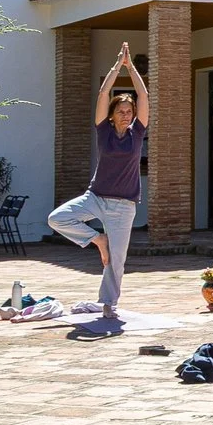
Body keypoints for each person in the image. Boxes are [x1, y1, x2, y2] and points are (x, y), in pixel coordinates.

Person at [48, 43, 148, 318]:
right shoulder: (103, 130)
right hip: (95, 197)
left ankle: (108, 304)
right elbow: (104, 93)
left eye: (130, 111)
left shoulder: (137, 133)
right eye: (122, 111)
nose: (127, 114)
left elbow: (143, 93)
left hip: (124, 206)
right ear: (113, 114)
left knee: (117, 260)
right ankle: (97, 240)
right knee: (57, 218)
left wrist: (132, 67)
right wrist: (117, 65)